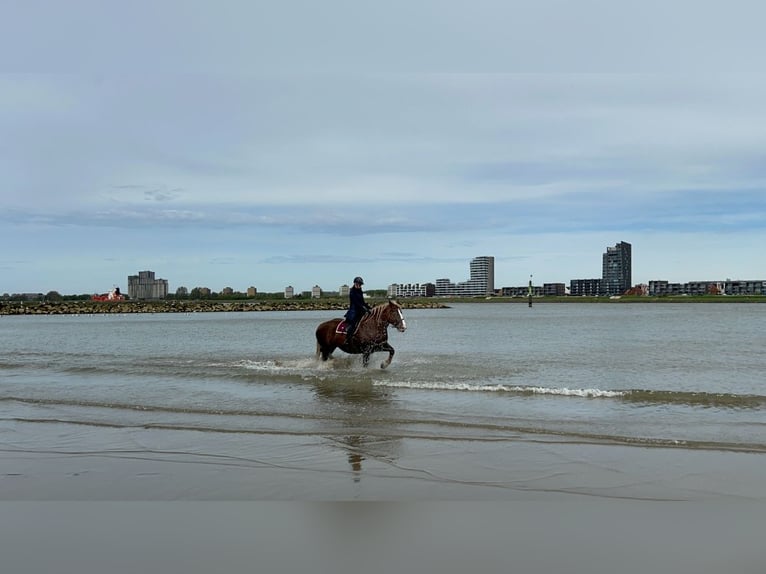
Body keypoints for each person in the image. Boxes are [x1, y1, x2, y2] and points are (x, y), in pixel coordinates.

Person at [344, 276, 372, 343]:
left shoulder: (360, 291)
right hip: (354, 311)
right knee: (353, 324)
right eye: (357, 284)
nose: (359, 285)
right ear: (354, 283)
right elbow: (356, 302)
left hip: (360, 310)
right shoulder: (352, 292)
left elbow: (362, 302)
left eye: (360, 284)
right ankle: (348, 338)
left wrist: (368, 307)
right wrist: (363, 308)